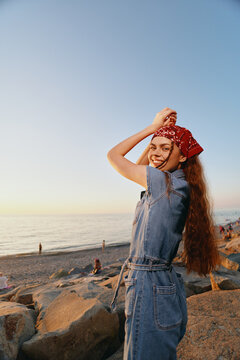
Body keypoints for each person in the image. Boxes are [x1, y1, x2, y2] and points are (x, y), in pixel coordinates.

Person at [107, 108, 220, 360]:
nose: (155, 154)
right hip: (162, 281)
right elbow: (136, 168)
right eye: (152, 147)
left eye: (165, 147)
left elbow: (114, 156)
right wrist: (158, 134)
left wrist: (151, 128)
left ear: (181, 157)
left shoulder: (163, 183)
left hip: (148, 286)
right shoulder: (176, 184)